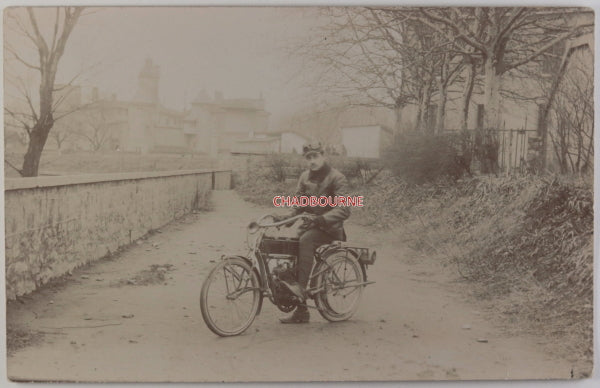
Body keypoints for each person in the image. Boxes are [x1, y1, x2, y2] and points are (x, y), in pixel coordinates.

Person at [275, 141, 351, 324]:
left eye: (315, 156)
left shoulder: (337, 178)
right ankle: (301, 310)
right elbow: (299, 205)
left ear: (323, 156)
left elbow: (345, 209)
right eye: (308, 158)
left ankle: (301, 288)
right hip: (310, 226)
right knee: (290, 244)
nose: (312, 161)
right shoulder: (304, 177)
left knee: (306, 241)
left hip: (330, 229)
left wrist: (321, 219)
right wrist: (286, 218)